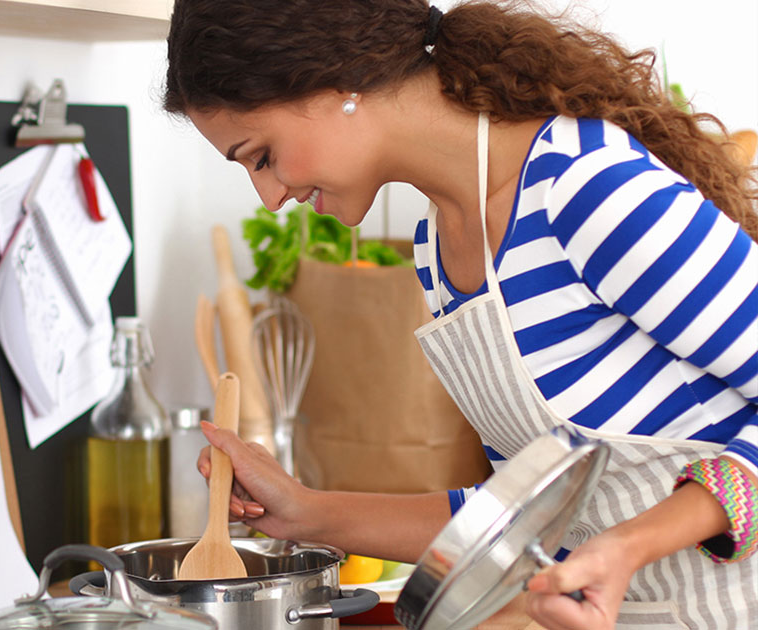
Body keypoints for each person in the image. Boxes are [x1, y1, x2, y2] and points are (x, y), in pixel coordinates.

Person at [164, 0, 758, 628]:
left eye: (260, 156)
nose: (271, 195)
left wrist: (629, 545)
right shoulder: (440, 245)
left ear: (333, 80)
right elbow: (523, 514)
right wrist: (306, 510)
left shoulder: (583, 188)